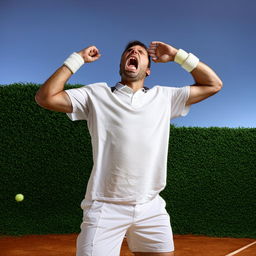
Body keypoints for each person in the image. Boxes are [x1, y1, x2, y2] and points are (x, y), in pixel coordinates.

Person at [35, 40, 223, 256]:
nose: (134, 52)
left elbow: (213, 84)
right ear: (121, 64)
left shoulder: (165, 97)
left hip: (151, 206)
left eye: (141, 52)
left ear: (148, 70)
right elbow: (45, 97)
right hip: (105, 207)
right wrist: (77, 59)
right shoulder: (95, 94)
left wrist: (177, 55)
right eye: (129, 51)